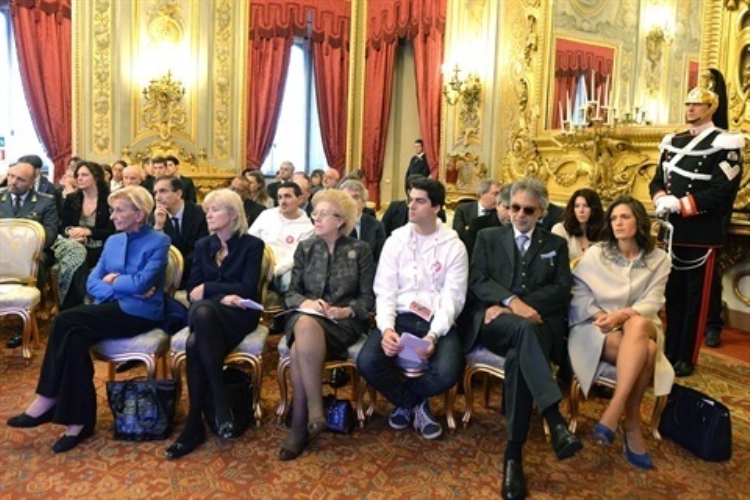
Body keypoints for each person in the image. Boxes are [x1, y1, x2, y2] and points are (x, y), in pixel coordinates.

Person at [6, 186, 170, 453]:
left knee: (65, 321)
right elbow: (92, 283)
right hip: (110, 306)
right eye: (113, 210)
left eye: (119, 210)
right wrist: (120, 285)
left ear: (139, 214)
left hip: (140, 312)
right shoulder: (113, 241)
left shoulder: (159, 241)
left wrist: (116, 281)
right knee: (74, 337)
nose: (112, 216)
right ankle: (78, 422)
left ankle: (48, 399)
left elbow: (143, 283)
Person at [467, 177, 580, 500]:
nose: (519, 215)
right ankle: (554, 418)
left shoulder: (555, 244)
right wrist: (511, 303)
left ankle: (513, 456)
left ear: (541, 212)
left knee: (521, 353)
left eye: (528, 210)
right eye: (515, 207)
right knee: (522, 331)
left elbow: (562, 289)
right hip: (495, 323)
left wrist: (521, 307)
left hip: (539, 324)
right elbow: (478, 280)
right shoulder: (488, 237)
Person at [649, 68, 744, 377]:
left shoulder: (725, 143)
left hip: (700, 232)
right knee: (673, 295)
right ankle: (670, 350)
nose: (690, 109)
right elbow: (657, 180)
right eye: (688, 104)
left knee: (696, 299)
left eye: (697, 104)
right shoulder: (673, 141)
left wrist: (681, 204)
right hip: (672, 233)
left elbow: (721, 191)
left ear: (711, 108)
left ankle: (686, 356)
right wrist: (660, 198)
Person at [568, 195, 674, 470]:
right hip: (597, 327)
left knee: (637, 324)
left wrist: (623, 315)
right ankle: (631, 423)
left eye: (625, 217)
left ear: (639, 221)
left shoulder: (659, 259)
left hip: (642, 323)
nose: (618, 223)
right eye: (614, 218)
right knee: (647, 351)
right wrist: (599, 316)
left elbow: (654, 300)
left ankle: (613, 410)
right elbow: (578, 293)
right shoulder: (597, 253)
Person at [358, 178, 468, 441]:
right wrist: (386, 329)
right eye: (410, 200)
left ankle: (407, 402)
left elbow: (452, 298)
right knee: (367, 363)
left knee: (448, 372)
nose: (411, 206)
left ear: (437, 207)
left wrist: (433, 335)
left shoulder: (454, 246)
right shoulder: (395, 241)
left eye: (420, 201)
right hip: (400, 316)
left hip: (436, 320)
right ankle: (416, 404)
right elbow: (385, 291)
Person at [165, 189, 265, 459]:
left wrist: (210, 289)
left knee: (194, 341)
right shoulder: (203, 246)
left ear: (233, 214)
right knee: (202, 314)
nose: (208, 215)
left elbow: (246, 288)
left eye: (215, 210)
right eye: (207, 210)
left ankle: (194, 424)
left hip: (239, 315)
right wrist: (222, 295)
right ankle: (219, 403)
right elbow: (192, 289)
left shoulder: (252, 246)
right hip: (207, 313)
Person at [278, 189, 375, 460]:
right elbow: (291, 293)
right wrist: (307, 303)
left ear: (340, 220)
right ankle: (314, 410)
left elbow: (367, 298)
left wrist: (346, 311)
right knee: (306, 324)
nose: (316, 218)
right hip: (305, 317)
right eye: (315, 213)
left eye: (323, 214)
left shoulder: (360, 250)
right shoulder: (306, 248)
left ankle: (300, 425)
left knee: (298, 348)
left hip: (342, 323)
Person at [0, 161, 59, 349]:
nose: (13, 182)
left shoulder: (45, 201)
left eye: (20, 179)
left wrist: (25, 251)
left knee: (36, 263)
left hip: (35, 253)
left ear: (32, 183)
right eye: (11, 176)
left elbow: (49, 233)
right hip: (2, 253)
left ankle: (26, 321)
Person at [248, 181, 314, 293]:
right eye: (280, 197)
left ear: (299, 199)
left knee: (289, 282)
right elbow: (250, 238)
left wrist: (274, 270)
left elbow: (294, 257)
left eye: (287, 196)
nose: (283, 201)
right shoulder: (266, 214)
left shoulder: (308, 228)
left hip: (284, 269)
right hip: (258, 262)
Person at [152, 176, 208, 289]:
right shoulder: (153, 217)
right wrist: (158, 227)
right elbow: (154, 253)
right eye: (155, 193)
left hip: (196, 272)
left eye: (163, 191)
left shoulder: (200, 214)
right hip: (166, 275)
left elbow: (203, 249)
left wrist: (178, 266)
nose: (157, 197)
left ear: (178, 194)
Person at [60, 161, 115, 270]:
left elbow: (112, 230)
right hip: (74, 244)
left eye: (84, 175)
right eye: (78, 175)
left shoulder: (109, 199)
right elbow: (62, 226)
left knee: (86, 256)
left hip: (101, 245)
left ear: (96, 178)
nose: (79, 178)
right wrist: (70, 232)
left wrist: (89, 231)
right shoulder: (71, 199)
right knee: (76, 253)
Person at [381, 174, 447, 237]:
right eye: (411, 199)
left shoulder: (449, 241)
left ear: (436, 208)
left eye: (420, 201)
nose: (411, 206)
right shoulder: (395, 239)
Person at [551, 188, 605, 260]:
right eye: (577, 206)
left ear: (594, 209)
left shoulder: (603, 231)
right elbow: (555, 261)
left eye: (586, 206)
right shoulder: (560, 230)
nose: (581, 210)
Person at [340, 179, 386, 262]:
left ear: (364, 202)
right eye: (346, 198)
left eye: (355, 198)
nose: (351, 202)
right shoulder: (332, 225)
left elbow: (380, 260)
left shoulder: (376, 226)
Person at [462, 183, 512, 259]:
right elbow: (470, 256)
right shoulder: (478, 225)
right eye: (507, 208)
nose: (510, 214)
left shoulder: (525, 227)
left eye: (515, 209)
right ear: (497, 205)